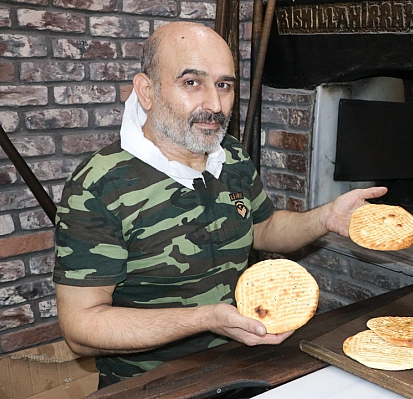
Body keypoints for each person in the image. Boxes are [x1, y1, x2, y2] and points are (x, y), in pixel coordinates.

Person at [53, 21, 386, 388]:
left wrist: (327, 216)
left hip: (242, 365)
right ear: (147, 91)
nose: (214, 105)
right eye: (191, 82)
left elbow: (264, 228)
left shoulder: (231, 157)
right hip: (152, 386)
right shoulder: (98, 185)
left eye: (224, 85)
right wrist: (208, 318)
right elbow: (81, 329)